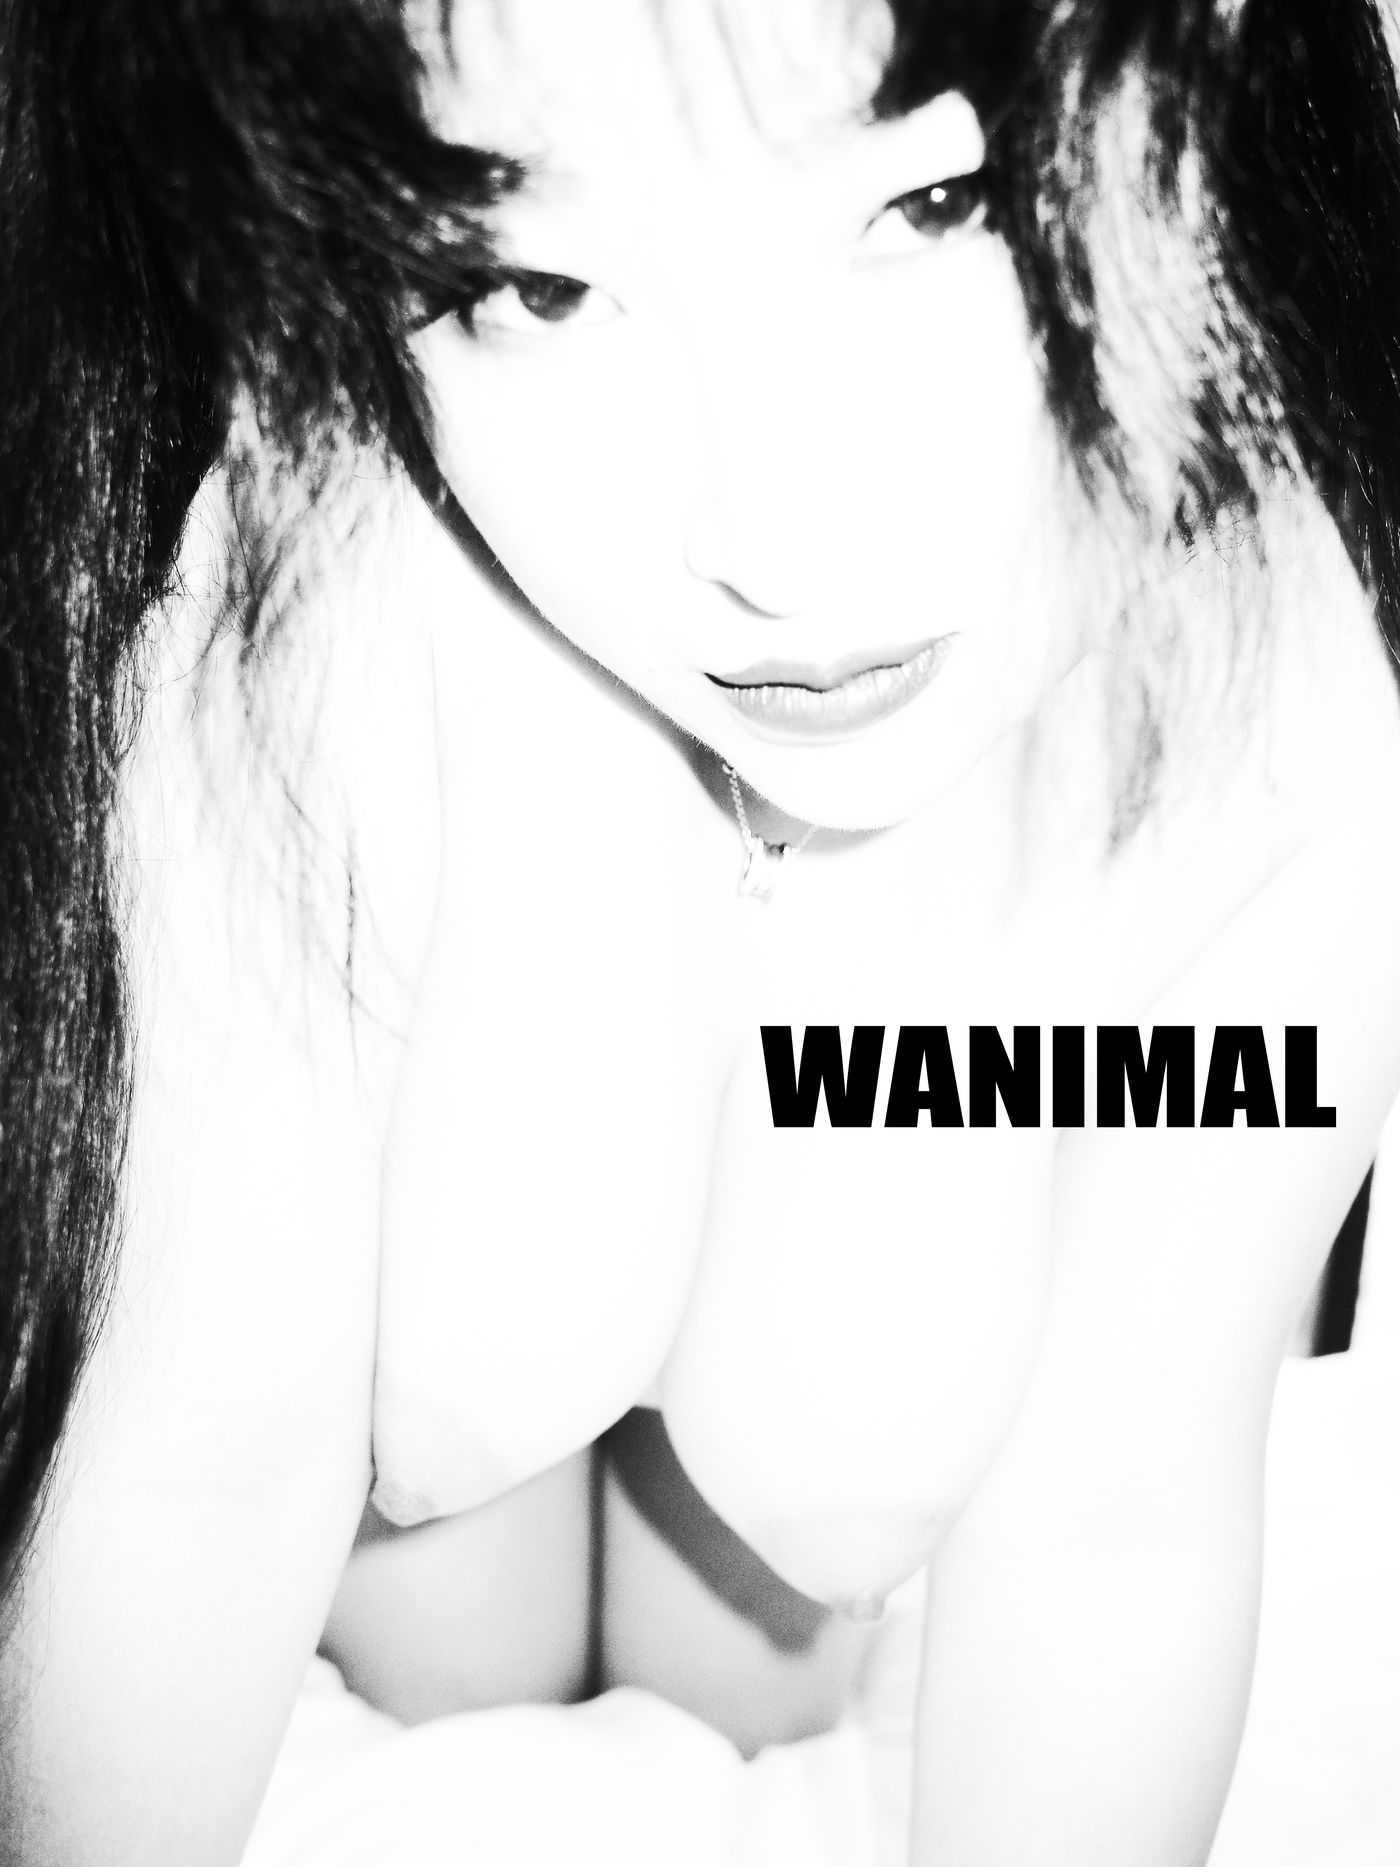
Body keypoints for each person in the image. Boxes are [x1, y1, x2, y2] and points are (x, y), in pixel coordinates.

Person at [3, 1, 1400, 1863]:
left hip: (813, 1421)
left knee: (844, 1447)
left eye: (934, 203)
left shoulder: (1284, 715)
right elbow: (197, 1465)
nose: (779, 541)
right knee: (472, 1451)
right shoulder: (282, 607)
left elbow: (1112, 1511)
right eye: (535, 287)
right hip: (413, 1442)